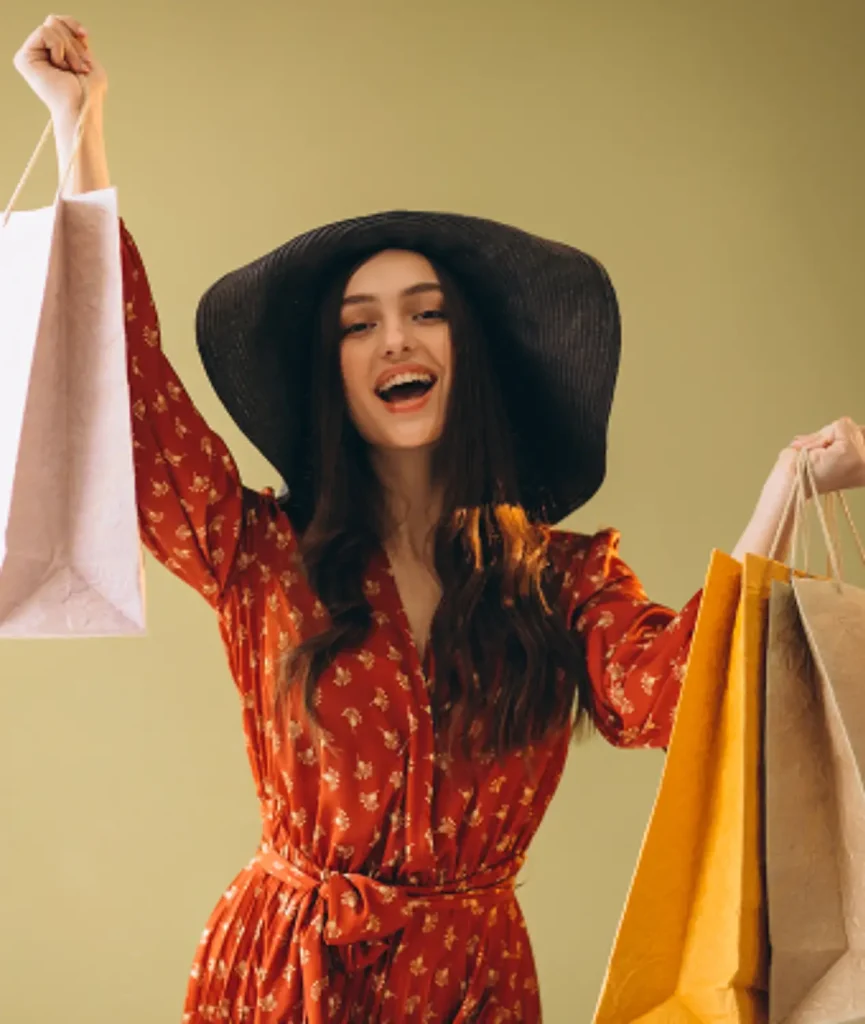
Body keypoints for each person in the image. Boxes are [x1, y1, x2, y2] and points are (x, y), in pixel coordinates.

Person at [12, 15, 865, 1024]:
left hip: (472, 984)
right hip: (282, 976)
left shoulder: (565, 580)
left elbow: (681, 694)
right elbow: (129, 390)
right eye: (358, 323)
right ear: (332, 371)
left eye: (426, 312)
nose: (395, 341)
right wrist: (80, 126)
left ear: (469, 354)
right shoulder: (259, 552)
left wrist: (785, 488)